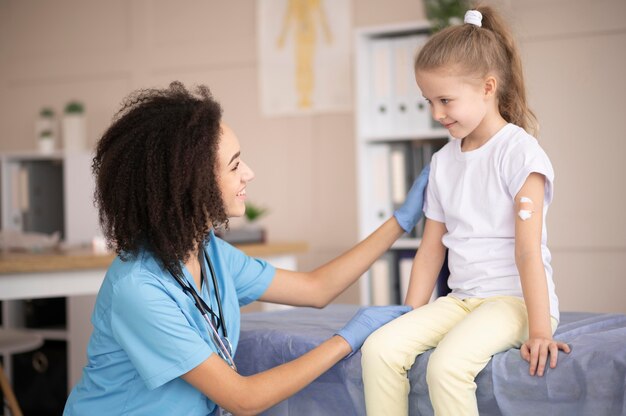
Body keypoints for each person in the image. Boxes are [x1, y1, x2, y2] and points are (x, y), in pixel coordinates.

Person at [62, 81, 430, 416]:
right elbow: (243, 398)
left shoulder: (208, 252)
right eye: (235, 165)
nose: (249, 173)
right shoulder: (139, 288)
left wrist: (400, 221)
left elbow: (316, 289)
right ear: (192, 184)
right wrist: (346, 340)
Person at [361, 7, 571, 416]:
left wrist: (541, 329)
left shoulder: (519, 153)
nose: (437, 114)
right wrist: (409, 317)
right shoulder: (442, 162)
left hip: (515, 303)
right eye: (429, 101)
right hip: (461, 300)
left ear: (488, 87)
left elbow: (528, 252)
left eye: (445, 100)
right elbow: (430, 250)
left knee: (446, 367)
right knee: (379, 350)